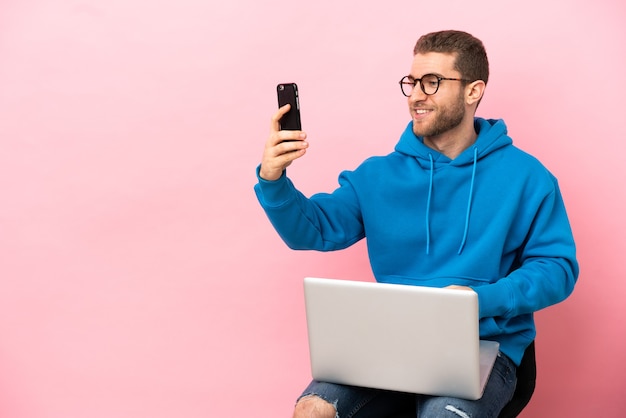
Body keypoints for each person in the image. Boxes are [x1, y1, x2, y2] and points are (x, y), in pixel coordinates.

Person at [254, 30, 579, 418]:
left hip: (481, 345)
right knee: (313, 410)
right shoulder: (377, 175)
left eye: (432, 82)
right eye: (412, 82)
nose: (415, 95)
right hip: (388, 343)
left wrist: (479, 302)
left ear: (473, 91)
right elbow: (315, 229)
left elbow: (558, 268)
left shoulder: (527, 177)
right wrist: (273, 181)